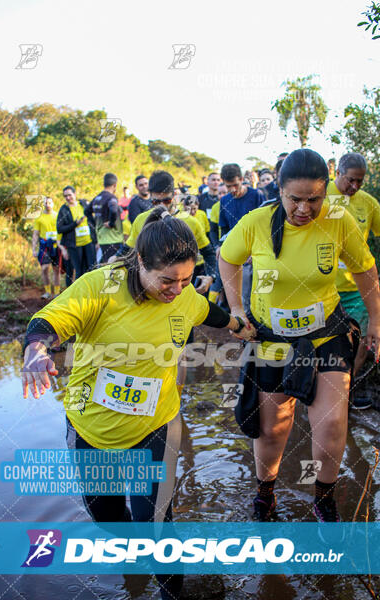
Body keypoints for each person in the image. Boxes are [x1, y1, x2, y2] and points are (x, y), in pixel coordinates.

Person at [22, 205, 252, 600]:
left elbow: (208, 312)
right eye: (167, 280)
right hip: (92, 429)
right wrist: (36, 349)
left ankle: (169, 592)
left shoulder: (183, 297)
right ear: (141, 261)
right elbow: (50, 321)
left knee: (158, 523)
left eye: (185, 280)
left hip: (156, 426)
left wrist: (239, 325)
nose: (177, 290)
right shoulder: (100, 287)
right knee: (109, 519)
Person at [219, 149, 380, 523]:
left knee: (332, 421)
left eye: (314, 200)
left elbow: (366, 271)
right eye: (295, 199)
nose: (305, 209)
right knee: (274, 427)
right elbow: (228, 259)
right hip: (272, 338)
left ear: (326, 192)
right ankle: (265, 494)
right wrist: (237, 311)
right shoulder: (257, 222)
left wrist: (376, 321)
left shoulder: (338, 220)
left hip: (326, 334)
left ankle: (323, 497)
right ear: (279, 191)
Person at [329, 152, 380, 409]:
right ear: (337, 172)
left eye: (360, 181)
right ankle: (319, 390)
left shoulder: (368, 204)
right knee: (326, 342)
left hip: (357, 288)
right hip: (323, 287)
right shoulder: (319, 195)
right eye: (350, 180)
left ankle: (344, 392)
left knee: (360, 342)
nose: (355, 186)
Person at [124, 171, 217, 296]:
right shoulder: (141, 219)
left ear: (174, 195)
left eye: (167, 200)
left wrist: (211, 276)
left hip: (181, 289)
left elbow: (209, 254)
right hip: (151, 290)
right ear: (150, 197)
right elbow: (127, 251)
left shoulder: (191, 222)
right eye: (156, 202)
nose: (162, 206)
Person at [219, 163, 265, 312]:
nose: (233, 190)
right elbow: (224, 228)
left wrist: (257, 249)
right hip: (238, 256)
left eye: (235, 185)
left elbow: (265, 225)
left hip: (258, 253)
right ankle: (246, 330)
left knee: (263, 293)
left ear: (241, 179)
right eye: (228, 186)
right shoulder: (225, 201)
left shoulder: (256, 195)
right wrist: (221, 247)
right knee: (242, 296)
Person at [57, 186, 95, 283]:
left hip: (89, 242)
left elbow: (93, 220)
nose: (68, 198)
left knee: (92, 269)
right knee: (79, 272)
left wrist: (96, 240)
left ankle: (91, 294)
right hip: (74, 245)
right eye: (65, 196)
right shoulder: (64, 210)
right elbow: (59, 229)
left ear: (75, 194)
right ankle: (78, 295)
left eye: (69, 195)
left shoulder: (83, 204)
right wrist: (75, 224)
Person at [32, 197, 66, 299]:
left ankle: (56, 293)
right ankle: (47, 292)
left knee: (56, 270)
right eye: (46, 203)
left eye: (50, 203)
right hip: (45, 245)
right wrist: (34, 248)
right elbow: (35, 234)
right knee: (44, 268)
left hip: (56, 245)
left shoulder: (57, 216)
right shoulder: (39, 218)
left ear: (53, 204)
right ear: (43, 204)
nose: (48, 204)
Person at [85, 173, 123, 263]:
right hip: (114, 239)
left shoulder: (97, 198)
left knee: (105, 266)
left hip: (102, 239)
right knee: (114, 268)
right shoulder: (111, 197)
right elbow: (113, 209)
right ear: (115, 185)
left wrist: (95, 225)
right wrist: (111, 223)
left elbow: (86, 211)